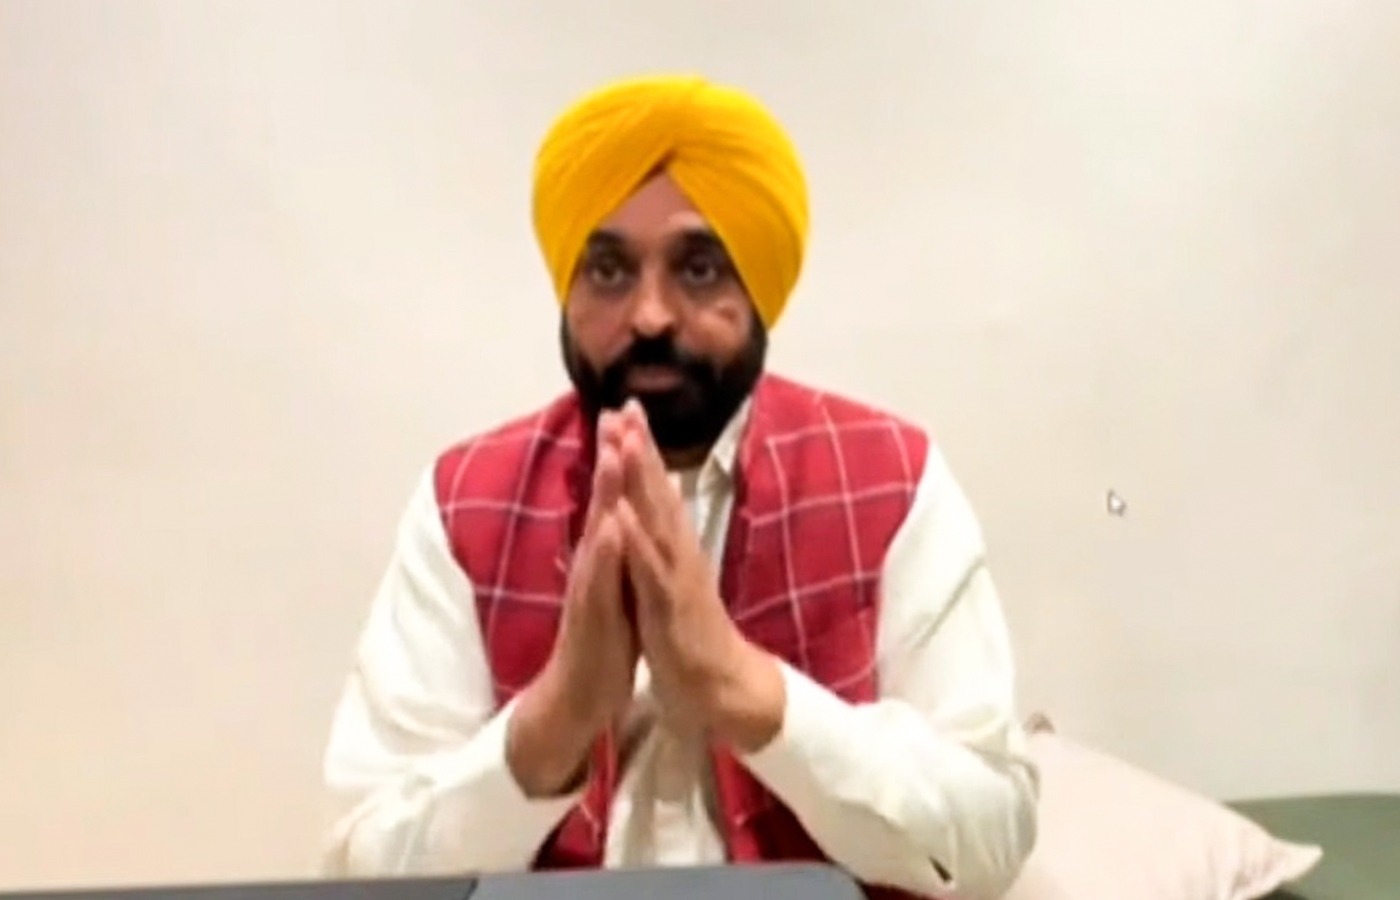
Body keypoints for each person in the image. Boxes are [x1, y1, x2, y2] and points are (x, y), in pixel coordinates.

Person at [320, 74, 1037, 900]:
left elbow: (992, 835)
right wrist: (556, 718)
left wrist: (744, 688)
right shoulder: (466, 502)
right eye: (608, 270)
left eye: (698, 269)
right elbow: (361, 868)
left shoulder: (891, 478)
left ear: (758, 287)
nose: (651, 315)